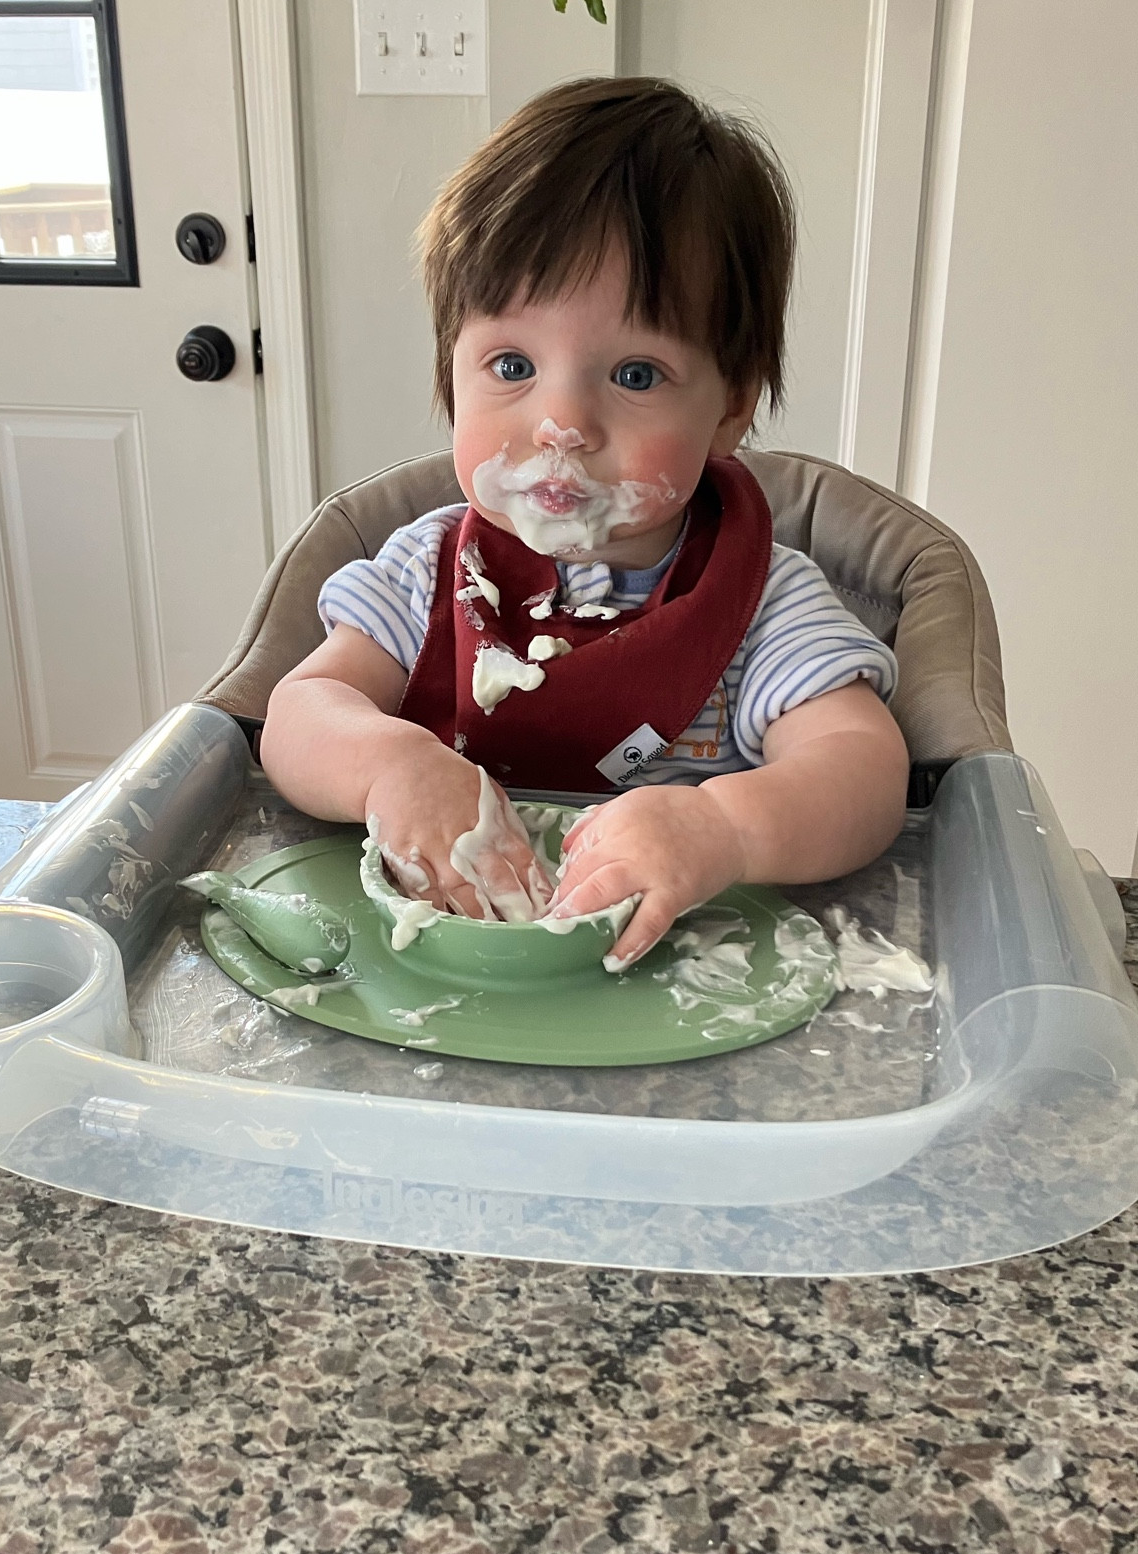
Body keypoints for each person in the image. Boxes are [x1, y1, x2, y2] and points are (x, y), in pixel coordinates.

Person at [260, 77, 908, 970]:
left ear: (730, 410)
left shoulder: (760, 602)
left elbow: (864, 772)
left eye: (636, 374)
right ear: (451, 378)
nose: (561, 426)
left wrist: (723, 827)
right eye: (513, 363)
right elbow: (297, 713)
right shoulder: (425, 570)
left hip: (683, 988)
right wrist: (387, 764)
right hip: (444, 974)